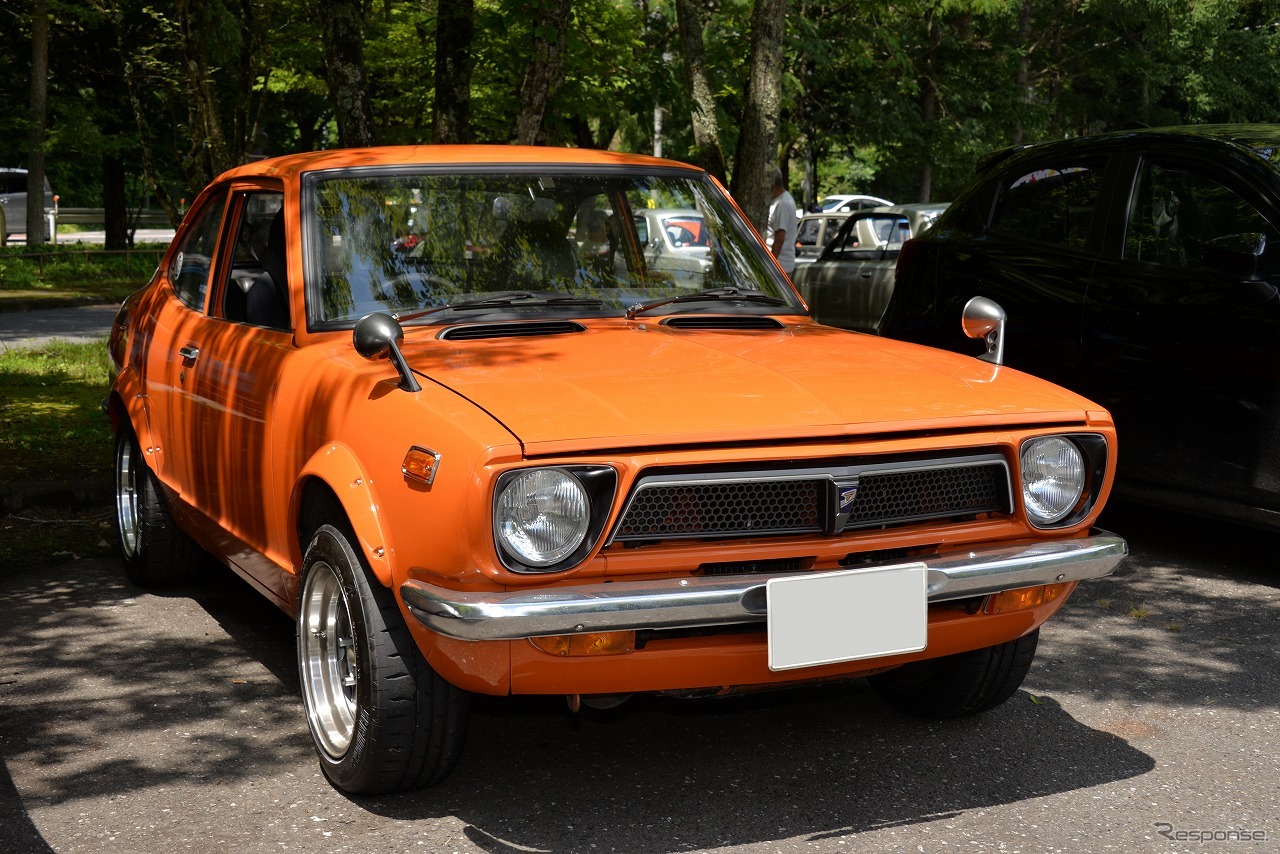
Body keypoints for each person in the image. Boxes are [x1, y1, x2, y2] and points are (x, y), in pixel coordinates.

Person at [767, 167, 798, 275]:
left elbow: (780, 237)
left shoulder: (782, 204)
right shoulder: (784, 200)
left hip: (779, 265)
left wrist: (771, 264)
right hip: (782, 263)